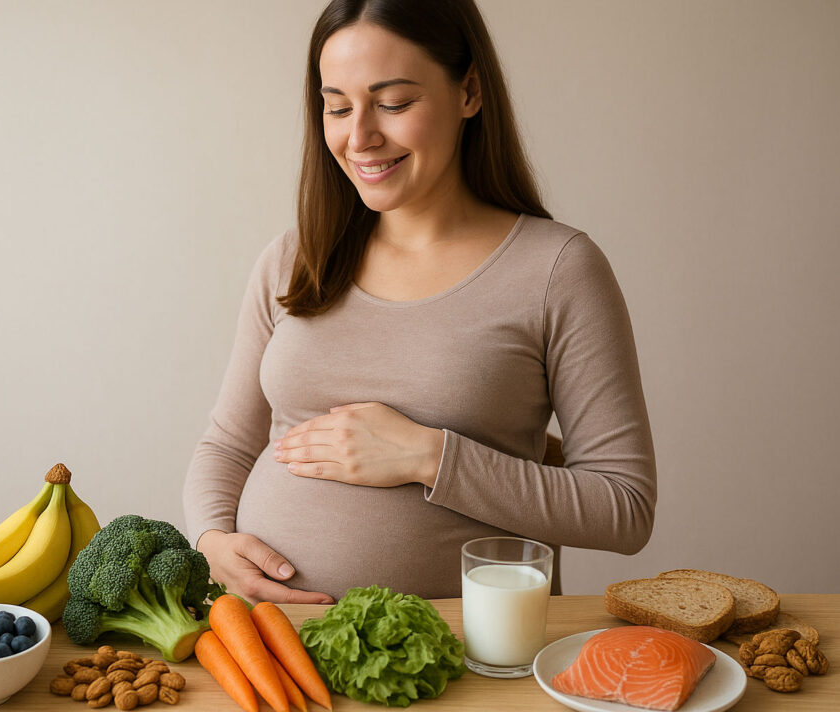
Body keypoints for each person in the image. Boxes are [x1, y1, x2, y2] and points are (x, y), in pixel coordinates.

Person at [183, 0, 656, 605]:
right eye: (337, 107)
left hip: (463, 661)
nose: (360, 137)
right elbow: (226, 443)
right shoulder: (295, 257)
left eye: (394, 104)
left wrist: (428, 457)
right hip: (267, 653)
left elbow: (625, 507)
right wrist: (211, 539)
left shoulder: (557, 269)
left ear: (469, 91)